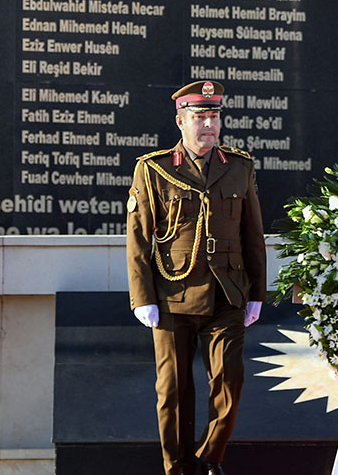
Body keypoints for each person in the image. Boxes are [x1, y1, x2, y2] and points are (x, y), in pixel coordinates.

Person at [127, 80, 266, 475]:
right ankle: (179, 467)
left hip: (228, 292)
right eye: (200, 117)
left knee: (230, 381)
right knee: (173, 390)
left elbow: (252, 235)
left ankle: (209, 457)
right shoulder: (153, 169)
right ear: (180, 121)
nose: (209, 125)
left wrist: (257, 292)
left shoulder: (239, 166)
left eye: (214, 117)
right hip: (172, 292)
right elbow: (137, 238)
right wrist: (143, 297)